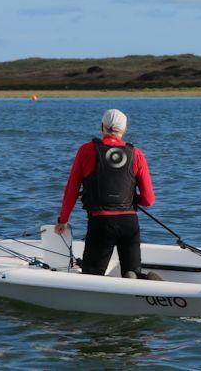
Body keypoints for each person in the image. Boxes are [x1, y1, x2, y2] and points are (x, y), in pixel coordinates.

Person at [55, 109, 159, 279]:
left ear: (102, 127)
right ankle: (142, 281)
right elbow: (148, 200)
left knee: (92, 277)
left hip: (101, 222)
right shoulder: (137, 154)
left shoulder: (86, 150)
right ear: (124, 130)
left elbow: (71, 190)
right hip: (129, 223)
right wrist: (131, 198)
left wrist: (63, 220)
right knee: (132, 274)